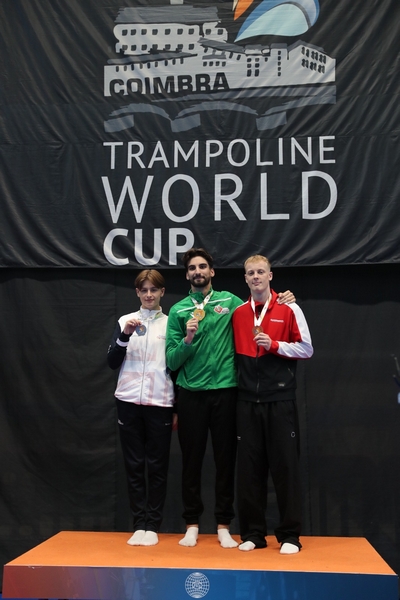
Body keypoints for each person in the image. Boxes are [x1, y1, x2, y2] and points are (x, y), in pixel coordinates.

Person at [165, 248, 294, 548]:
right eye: (192, 268)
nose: (198, 271)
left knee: (226, 462)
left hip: (226, 392)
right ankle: (192, 524)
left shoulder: (231, 303)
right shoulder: (179, 310)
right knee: (191, 462)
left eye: (203, 267)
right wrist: (188, 340)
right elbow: (171, 361)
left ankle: (224, 524)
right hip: (191, 395)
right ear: (187, 275)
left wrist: (286, 300)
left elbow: (259, 305)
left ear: (212, 272)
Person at [232, 255, 313, 554]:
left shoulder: (290, 308)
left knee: (285, 468)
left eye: (260, 272)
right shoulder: (238, 313)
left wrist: (275, 345)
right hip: (246, 401)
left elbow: (307, 348)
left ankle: (290, 536)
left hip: (279, 399)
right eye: (250, 273)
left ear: (270, 275)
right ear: (245, 278)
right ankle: (253, 534)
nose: (255, 277)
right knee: (249, 471)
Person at [107, 269, 176, 547]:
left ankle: (153, 525)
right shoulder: (125, 321)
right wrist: (125, 336)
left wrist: (176, 408)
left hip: (160, 402)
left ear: (162, 292)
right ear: (137, 293)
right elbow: (112, 362)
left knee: (157, 466)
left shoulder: (172, 323)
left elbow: (176, 367)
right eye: (144, 290)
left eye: (153, 290)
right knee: (134, 465)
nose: (149, 295)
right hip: (128, 402)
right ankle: (139, 524)